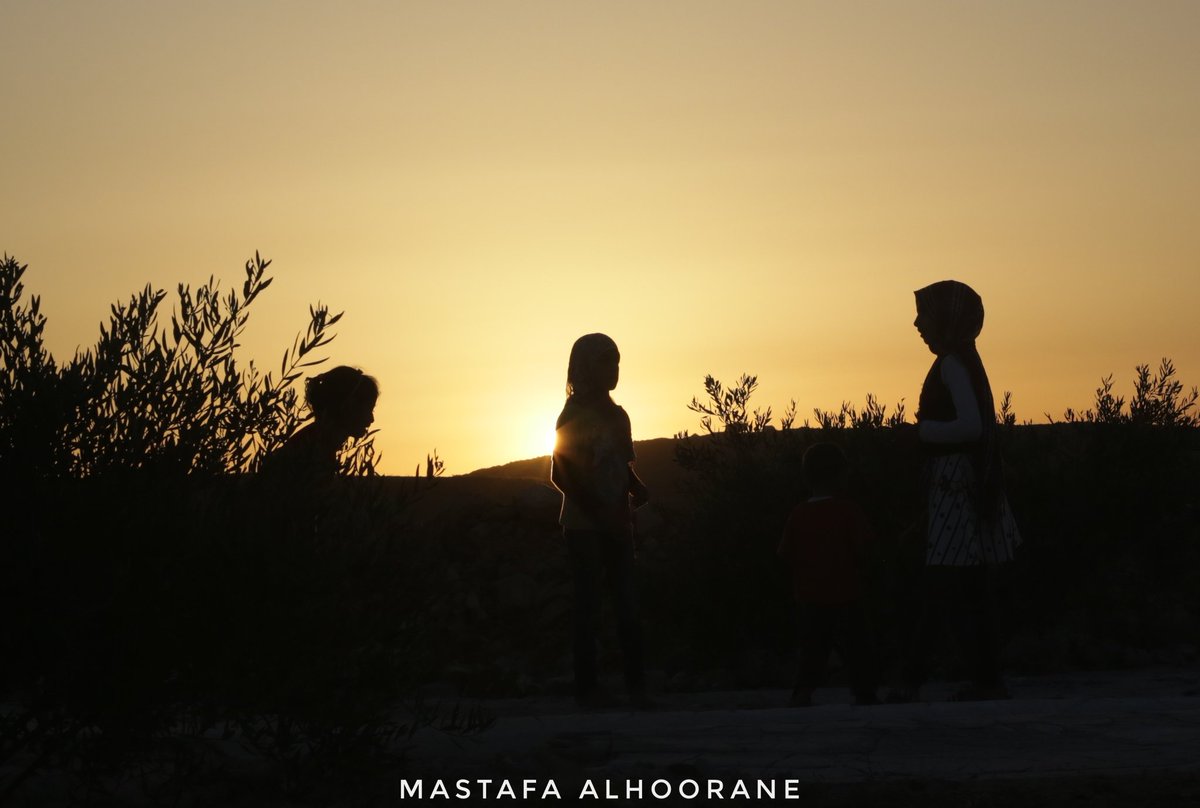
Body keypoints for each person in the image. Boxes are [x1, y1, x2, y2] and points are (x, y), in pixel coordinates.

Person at [893, 280, 1021, 703]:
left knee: (944, 585)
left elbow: (971, 426)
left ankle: (916, 679)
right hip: (966, 484)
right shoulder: (966, 360)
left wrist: (922, 433)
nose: (917, 323)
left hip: (954, 487)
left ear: (945, 318)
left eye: (924, 314)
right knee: (968, 588)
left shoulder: (952, 364)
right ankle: (985, 679)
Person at [551, 333, 651, 710]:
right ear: (584, 367)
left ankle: (636, 687)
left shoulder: (618, 415)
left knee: (627, 603)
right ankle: (587, 690)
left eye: (616, 360)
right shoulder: (572, 415)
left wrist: (636, 488)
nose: (613, 368)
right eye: (605, 360)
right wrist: (596, 509)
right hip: (584, 526)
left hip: (616, 522)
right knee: (589, 605)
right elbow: (560, 472)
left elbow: (620, 465)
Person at [778, 442, 879, 706]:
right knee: (858, 647)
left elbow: (785, 553)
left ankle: (802, 693)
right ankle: (865, 693)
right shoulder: (848, 511)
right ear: (840, 475)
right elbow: (865, 548)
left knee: (813, 648)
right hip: (847, 593)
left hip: (810, 596)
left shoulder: (798, 514)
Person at [261, 365, 378, 481]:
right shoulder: (314, 453)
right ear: (348, 406)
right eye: (369, 409)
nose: (371, 419)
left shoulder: (315, 444)